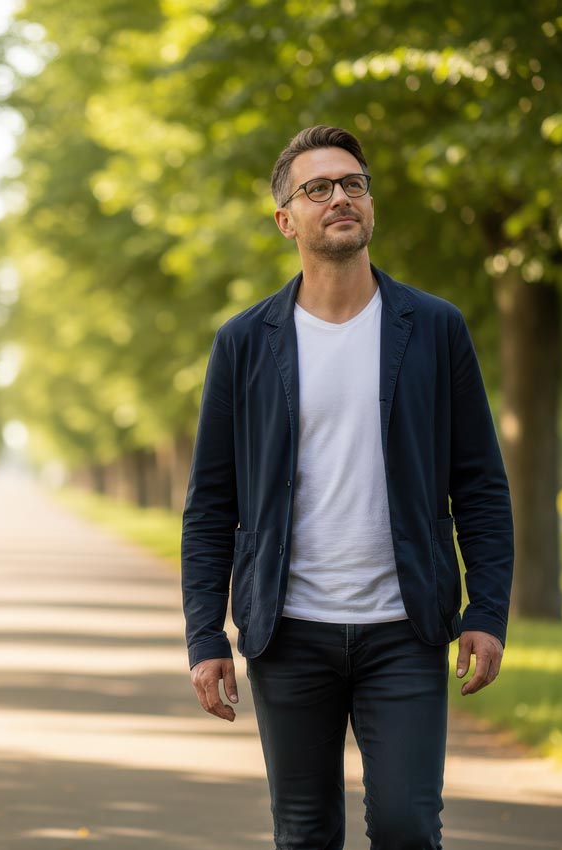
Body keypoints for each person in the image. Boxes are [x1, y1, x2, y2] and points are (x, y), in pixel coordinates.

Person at [181, 125, 514, 849]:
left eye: (354, 184)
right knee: (304, 834)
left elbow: (481, 485)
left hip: (406, 626)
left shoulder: (433, 328)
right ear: (286, 220)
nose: (341, 197)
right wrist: (205, 634)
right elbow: (211, 504)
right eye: (319, 188)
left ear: (369, 206)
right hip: (288, 630)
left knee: (406, 827)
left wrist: (487, 609)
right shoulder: (244, 343)